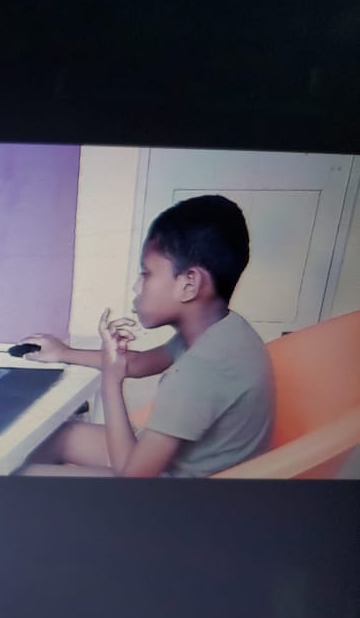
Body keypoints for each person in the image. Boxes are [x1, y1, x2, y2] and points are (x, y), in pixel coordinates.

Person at [20, 195, 274, 478]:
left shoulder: (198, 372)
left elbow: (132, 480)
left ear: (189, 284)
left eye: (146, 273)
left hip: (170, 495)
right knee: (61, 437)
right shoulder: (221, 331)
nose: (136, 287)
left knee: (27, 477)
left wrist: (111, 382)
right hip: (168, 466)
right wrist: (63, 353)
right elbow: (139, 364)